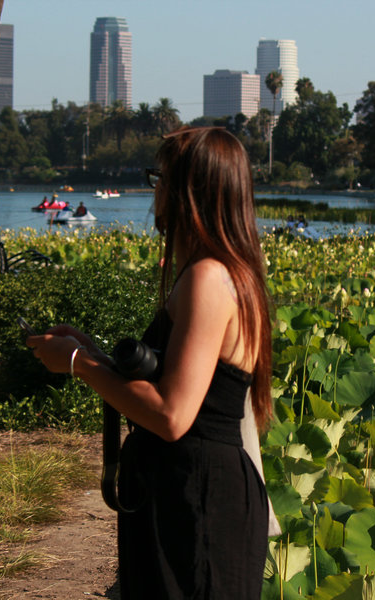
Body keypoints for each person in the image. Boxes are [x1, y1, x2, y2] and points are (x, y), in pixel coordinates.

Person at [27, 126, 273, 599]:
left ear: (188, 191)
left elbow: (171, 414)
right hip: (187, 491)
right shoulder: (222, 272)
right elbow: (179, 385)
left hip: (200, 499)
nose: (154, 190)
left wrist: (79, 364)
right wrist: (92, 352)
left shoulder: (208, 277)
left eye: (160, 178)